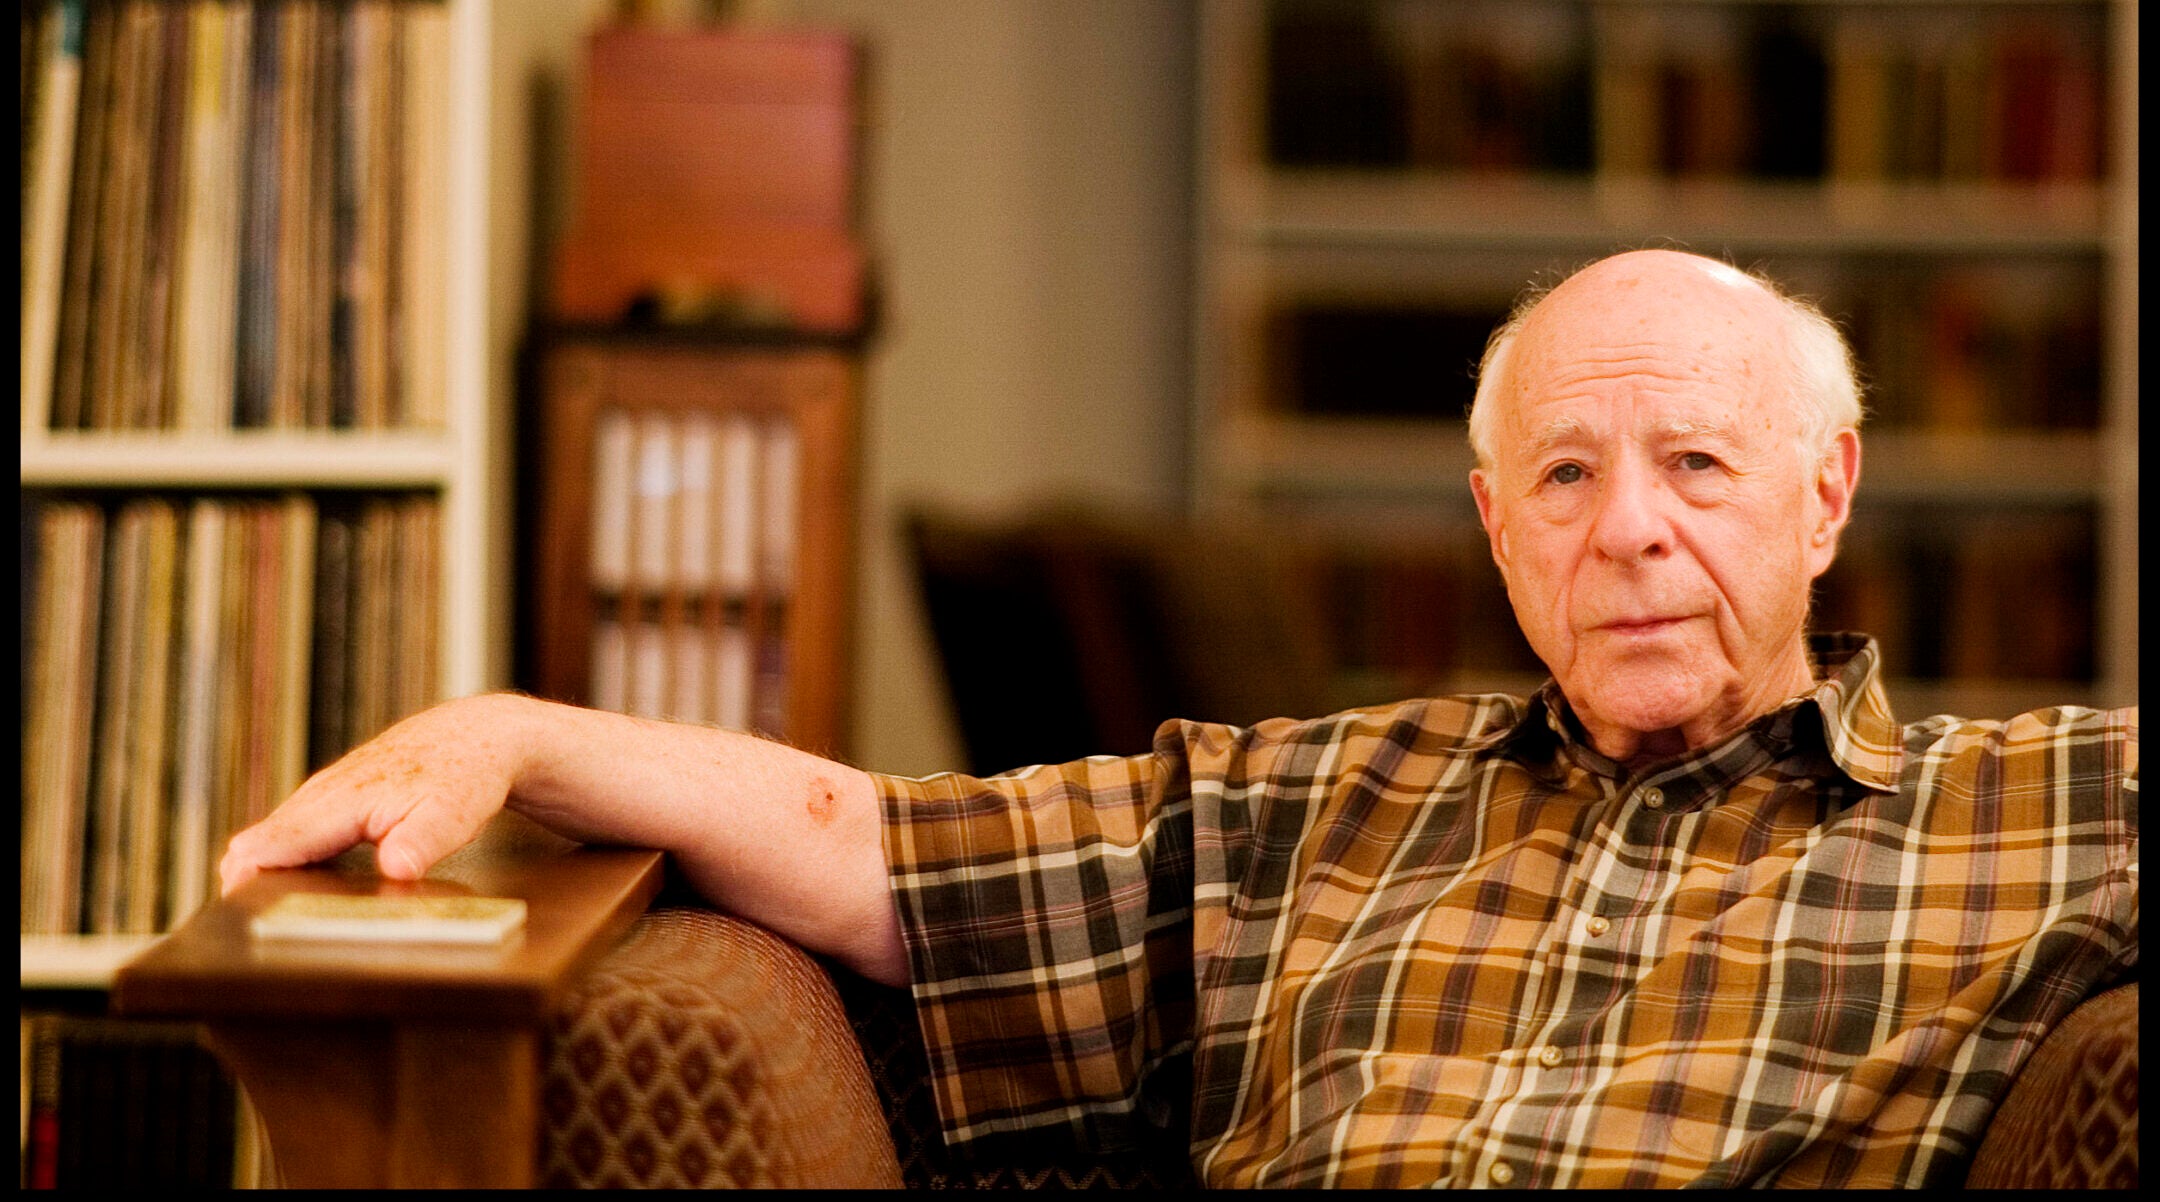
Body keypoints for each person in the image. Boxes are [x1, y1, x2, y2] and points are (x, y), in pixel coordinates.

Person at [219, 249, 2137, 1188]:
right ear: (1494, 523)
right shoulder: (1310, 801)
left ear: (1825, 497)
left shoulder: (2049, 806)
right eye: (1562, 475)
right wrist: (508, 735)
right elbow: (885, 849)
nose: (1624, 528)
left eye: (1698, 463)